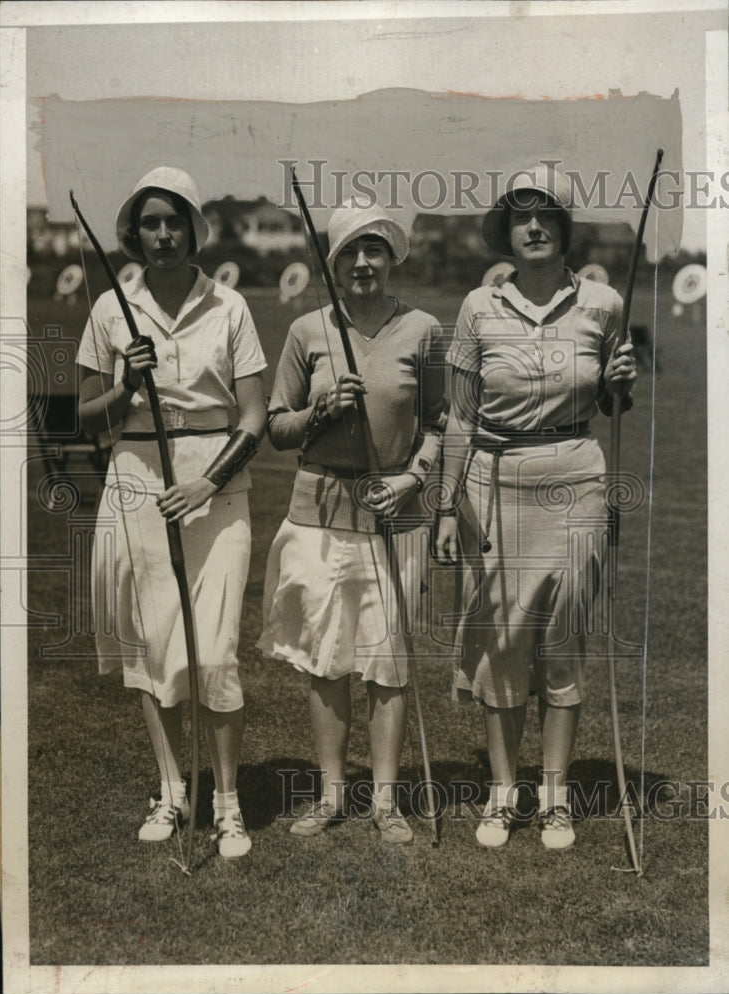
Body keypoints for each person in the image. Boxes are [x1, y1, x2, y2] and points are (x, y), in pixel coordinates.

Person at [435, 164, 637, 850]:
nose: (533, 226)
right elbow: (458, 419)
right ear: (508, 233)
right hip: (495, 481)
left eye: (545, 215)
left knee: (564, 639)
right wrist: (442, 507)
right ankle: (502, 793)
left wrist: (620, 383)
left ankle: (554, 799)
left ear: (563, 229)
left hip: (577, 475)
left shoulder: (604, 304)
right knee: (502, 643)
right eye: (521, 216)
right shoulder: (477, 307)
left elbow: (614, 396)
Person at [76, 166, 267, 858]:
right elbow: (88, 423)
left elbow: (253, 418)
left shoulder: (230, 307)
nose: (162, 234)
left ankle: (228, 803)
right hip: (134, 480)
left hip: (215, 488)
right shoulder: (108, 308)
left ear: (194, 228)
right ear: (134, 231)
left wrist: (207, 484)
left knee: (214, 652)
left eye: (174, 221)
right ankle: (171, 789)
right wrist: (127, 384)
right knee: (155, 651)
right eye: (149, 222)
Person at [257, 203, 445, 845]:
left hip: (395, 515)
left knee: (387, 659)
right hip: (318, 517)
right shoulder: (307, 331)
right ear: (331, 264)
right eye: (349, 254)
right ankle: (332, 792)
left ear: (391, 259)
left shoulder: (423, 329)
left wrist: (412, 479)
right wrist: (316, 410)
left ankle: (386, 800)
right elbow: (275, 426)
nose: (362, 264)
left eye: (374, 251)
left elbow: (445, 421)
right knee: (326, 657)